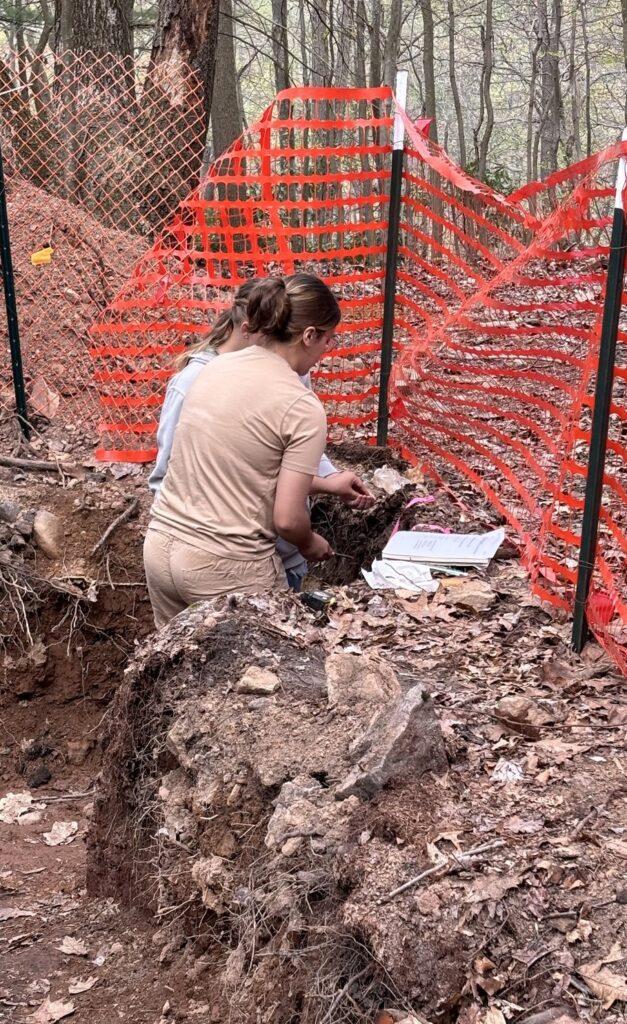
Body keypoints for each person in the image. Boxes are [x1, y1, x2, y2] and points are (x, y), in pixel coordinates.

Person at [144, 274, 358, 627]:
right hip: (225, 567)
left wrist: (327, 483)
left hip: (162, 548)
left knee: (182, 677)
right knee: (258, 678)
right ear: (308, 336)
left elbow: (243, 467)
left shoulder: (211, 368)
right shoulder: (301, 406)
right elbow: (288, 519)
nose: (325, 353)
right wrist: (309, 543)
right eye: (327, 341)